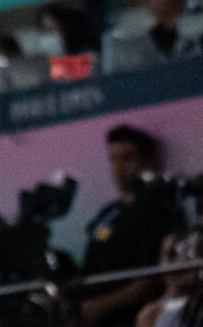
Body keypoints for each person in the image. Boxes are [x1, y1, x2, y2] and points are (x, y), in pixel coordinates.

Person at [83, 125, 180, 327]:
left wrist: (100, 306)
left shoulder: (156, 209)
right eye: (113, 158)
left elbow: (152, 281)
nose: (118, 167)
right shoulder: (107, 214)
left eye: (127, 158)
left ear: (146, 162)